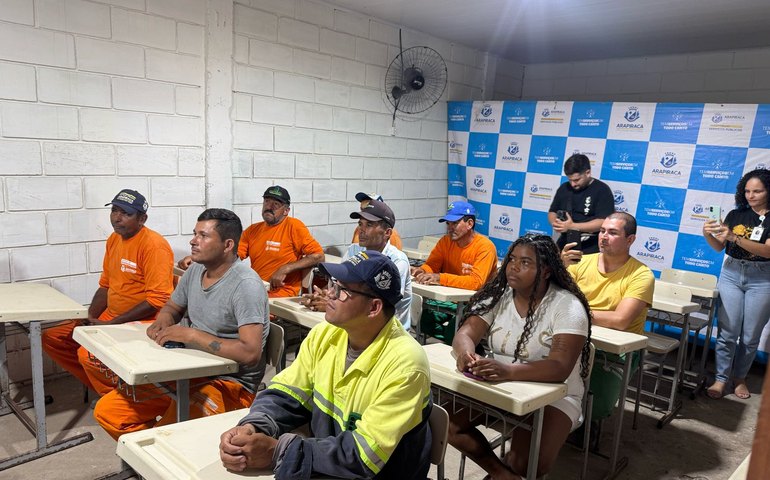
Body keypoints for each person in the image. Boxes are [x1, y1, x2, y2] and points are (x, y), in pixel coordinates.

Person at [219, 251, 432, 480]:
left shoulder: (406, 365)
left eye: (341, 291)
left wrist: (277, 450)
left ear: (374, 308)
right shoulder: (326, 334)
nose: (329, 293)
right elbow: (287, 393)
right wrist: (256, 426)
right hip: (332, 467)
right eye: (332, 284)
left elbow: (364, 457)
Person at [94, 208, 269, 440]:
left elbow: (250, 353)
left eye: (203, 236)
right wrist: (163, 321)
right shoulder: (196, 269)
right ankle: (154, 462)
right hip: (188, 370)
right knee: (109, 413)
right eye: (194, 233)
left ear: (227, 245)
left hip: (229, 384)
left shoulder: (245, 285)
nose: (193, 241)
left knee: (167, 437)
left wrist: (192, 336)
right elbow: (172, 307)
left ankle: (160, 456)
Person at [449, 234, 592, 479]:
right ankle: (503, 475)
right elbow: (466, 333)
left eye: (526, 263)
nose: (514, 267)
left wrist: (507, 371)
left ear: (546, 271)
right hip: (501, 385)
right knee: (448, 425)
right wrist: (465, 354)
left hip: (555, 393)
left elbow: (560, 367)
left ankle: (511, 471)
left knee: (529, 464)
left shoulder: (567, 306)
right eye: (512, 259)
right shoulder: (498, 294)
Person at [42, 189, 174, 397]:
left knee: (87, 354)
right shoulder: (114, 239)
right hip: (112, 316)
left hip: (143, 321)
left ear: (142, 218)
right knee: (54, 337)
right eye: (114, 210)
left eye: (126, 213)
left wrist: (112, 324)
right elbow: (105, 286)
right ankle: (109, 393)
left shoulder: (154, 246)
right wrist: (89, 317)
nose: (116, 218)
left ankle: (124, 400)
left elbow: (157, 300)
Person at [561, 211, 654, 421]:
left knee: (594, 409)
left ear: (630, 240)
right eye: (602, 231)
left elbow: (620, 321)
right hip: (576, 336)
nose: (603, 236)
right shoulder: (580, 262)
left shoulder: (641, 274)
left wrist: (577, 313)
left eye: (612, 233)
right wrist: (561, 267)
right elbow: (556, 301)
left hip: (614, 352)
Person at [178, 186, 324, 298]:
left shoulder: (294, 226)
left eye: (276, 204)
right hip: (255, 288)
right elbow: (231, 254)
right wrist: (198, 259)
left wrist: (284, 269)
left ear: (286, 211)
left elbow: (318, 256)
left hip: (282, 293)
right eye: (267, 201)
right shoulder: (253, 229)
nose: (269, 206)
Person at [703, 168, 770, 400]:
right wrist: (708, 234)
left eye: (757, 191)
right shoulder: (736, 214)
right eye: (747, 191)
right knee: (727, 332)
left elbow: (768, 250)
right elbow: (720, 247)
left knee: (751, 336)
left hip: (762, 278)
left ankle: (739, 377)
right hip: (731, 272)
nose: (751, 196)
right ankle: (721, 379)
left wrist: (734, 238)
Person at [301, 199, 412, 330]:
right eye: (360, 224)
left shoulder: (398, 261)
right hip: (356, 323)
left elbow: (379, 306)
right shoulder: (354, 250)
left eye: (369, 225)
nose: (361, 230)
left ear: (387, 233)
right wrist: (325, 295)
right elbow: (340, 284)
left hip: (386, 330)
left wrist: (331, 304)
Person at [410, 201, 497, 289]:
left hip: (477, 300)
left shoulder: (485, 247)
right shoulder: (445, 241)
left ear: (470, 224)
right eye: (448, 223)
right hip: (448, 298)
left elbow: (476, 282)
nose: (449, 228)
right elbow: (432, 266)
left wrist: (440, 278)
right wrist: (422, 270)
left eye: (455, 223)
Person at [548, 153, 614, 254]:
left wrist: (572, 226)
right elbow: (552, 211)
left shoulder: (602, 190)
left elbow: (603, 222)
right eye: (570, 180)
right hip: (566, 242)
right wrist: (557, 224)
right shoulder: (564, 188)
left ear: (587, 173)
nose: (573, 184)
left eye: (576, 180)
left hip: (591, 245)